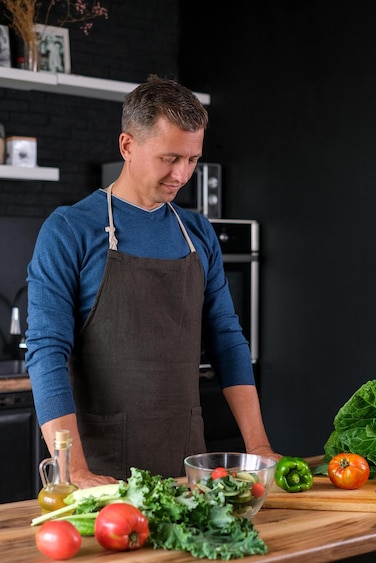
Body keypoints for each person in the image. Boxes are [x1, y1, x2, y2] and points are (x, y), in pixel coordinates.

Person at [26, 74, 281, 488]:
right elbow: (46, 352)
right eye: (169, 158)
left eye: (192, 159)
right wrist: (73, 471)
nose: (182, 174)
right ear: (127, 145)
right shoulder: (69, 229)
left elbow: (227, 340)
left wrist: (259, 447)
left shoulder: (197, 233)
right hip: (99, 472)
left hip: (188, 466)